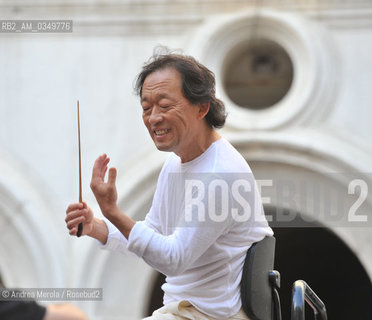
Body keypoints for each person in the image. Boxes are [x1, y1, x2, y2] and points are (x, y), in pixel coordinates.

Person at [65, 50, 273, 320]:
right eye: (146, 108)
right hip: (183, 311)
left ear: (202, 107)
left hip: (211, 315)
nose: (153, 118)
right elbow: (153, 234)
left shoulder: (222, 173)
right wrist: (97, 227)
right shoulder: (175, 164)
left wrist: (113, 212)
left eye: (164, 106)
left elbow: (173, 259)